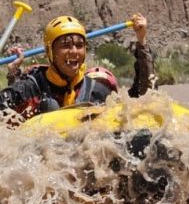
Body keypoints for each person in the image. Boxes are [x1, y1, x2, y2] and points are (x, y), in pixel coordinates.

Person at [0, 13, 155, 123]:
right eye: (65, 45)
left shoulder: (97, 92)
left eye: (79, 45)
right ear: (50, 52)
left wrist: (142, 41)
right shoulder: (29, 88)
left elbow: (141, 98)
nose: (74, 51)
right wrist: (13, 74)